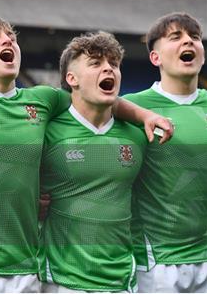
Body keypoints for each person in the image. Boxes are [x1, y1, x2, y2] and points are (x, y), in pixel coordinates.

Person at [0, 17, 171, 292]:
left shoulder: (42, 100)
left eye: (11, 38)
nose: (7, 41)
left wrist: (144, 115)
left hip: (27, 270)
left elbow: (94, 96)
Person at [39, 32, 147, 292]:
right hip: (61, 280)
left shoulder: (137, 135)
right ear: (71, 78)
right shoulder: (46, 131)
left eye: (114, 64)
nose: (108, 68)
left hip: (122, 280)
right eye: (96, 63)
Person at [123, 12, 207, 292]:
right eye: (176, 37)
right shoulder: (131, 108)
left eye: (194, 37)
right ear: (155, 58)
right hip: (158, 263)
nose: (189, 42)